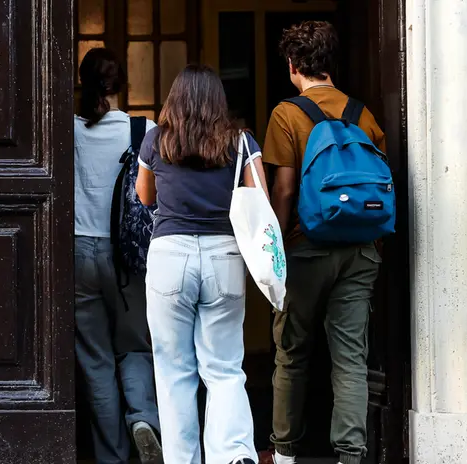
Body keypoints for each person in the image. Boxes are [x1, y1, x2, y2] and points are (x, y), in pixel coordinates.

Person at [263, 21, 386, 464]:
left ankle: (285, 453)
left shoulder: (287, 113)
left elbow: (285, 190)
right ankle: (351, 455)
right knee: (351, 358)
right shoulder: (363, 113)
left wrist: (274, 250)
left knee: (292, 353)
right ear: (330, 64)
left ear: (294, 66)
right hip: (360, 250)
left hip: (306, 247)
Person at [135, 64, 267, 464]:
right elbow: (258, 195)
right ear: (218, 102)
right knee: (224, 365)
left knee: (174, 371)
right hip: (223, 256)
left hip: (169, 256)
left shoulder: (156, 140)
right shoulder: (239, 141)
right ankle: (232, 455)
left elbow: (144, 196)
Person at [73, 47, 162, 464]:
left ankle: (111, 457)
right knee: (135, 348)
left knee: (95, 360)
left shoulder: (64, 132)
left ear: (82, 84)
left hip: (77, 253)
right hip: (127, 258)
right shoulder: (144, 130)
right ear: (122, 83)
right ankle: (143, 419)